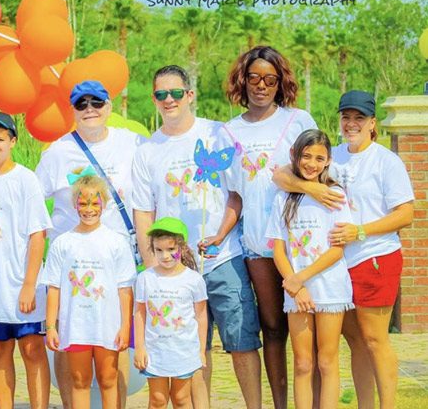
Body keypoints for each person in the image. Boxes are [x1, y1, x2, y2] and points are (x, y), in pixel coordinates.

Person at [272, 90, 414, 409]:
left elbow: (406, 213)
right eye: (346, 117)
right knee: (355, 342)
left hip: (374, 257)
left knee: (376, 340)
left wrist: (360, 230)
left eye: (359, 118)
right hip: (336, 267)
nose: (351, 124)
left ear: (372, 123)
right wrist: (310, 186)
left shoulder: (385, 161)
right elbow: (281, 175)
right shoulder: (331, 156)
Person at [133, 65, 262, 409]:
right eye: (161, 94)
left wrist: (220, 234)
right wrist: (152, 266)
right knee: (194, 351)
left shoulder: (217, 134)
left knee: (242, 341)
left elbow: (237, 193)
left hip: (223, 258)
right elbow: (144, 211)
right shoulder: (148, 150)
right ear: (154, 99)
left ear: (189, 95)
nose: (169, 100)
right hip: (175, 266)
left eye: (176, 93)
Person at [35, 80, 143, 409]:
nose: (90, 110)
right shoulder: (57, 151)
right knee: (71, 347)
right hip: (72, 266)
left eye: (96, 103)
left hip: (117, 262)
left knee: (117, 346)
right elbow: (31, 200)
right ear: (73, 111)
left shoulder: (133, 143)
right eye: (81, 105)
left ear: (109, 106)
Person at [221, 46, 318, 408]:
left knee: (310, 334)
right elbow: (234, 195)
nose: (261, 86)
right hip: (258, 245)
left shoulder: (298, 120)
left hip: (302, 243)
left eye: (270, 79)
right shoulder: (228, 132)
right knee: (273, 327)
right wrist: (216, 235)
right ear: (242, 81)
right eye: (254, 78)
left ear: (281, 83)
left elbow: (318, 170)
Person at [0, 112, 52, 409]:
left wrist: (30, 284)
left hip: (21, 281)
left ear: (13, 141)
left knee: (31, 348)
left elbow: (37, 235)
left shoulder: (25, 180)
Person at [266, 130, 353, 409]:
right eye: (306, 156)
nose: (312, 163)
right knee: (303, 362)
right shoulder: (284, 197)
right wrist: (297, 286)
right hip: (297, 291)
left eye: (319, 158)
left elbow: (337, 249)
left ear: (327, 161)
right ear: (295, 156)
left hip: (328, 286)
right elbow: (278, 249)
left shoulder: (335, 195)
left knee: (327, 361)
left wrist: (300, 278)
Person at [44, 171, 135, 409]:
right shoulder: (62, 243)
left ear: (104, 204)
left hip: (108, 326)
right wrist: (51, 326)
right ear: (75, 204)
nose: (89, 209)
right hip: (75, 326)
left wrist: (126, 327)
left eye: (95, 203)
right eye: (83, 203)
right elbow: (53, 287)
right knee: (79, 380)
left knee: (108, 379)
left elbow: (125, 289)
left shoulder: (116, 242)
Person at [134, 217, 208, 409]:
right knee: (157, 400)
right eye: (159, 250)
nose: (165, 256)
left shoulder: (194, 280)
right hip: (155, 352)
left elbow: (201, 316)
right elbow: (140, 314)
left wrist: (200, 350)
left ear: (182, 248)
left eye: (171, 249)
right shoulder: (145, 278)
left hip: (183, 351)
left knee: (181, 398)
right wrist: (140, 347)